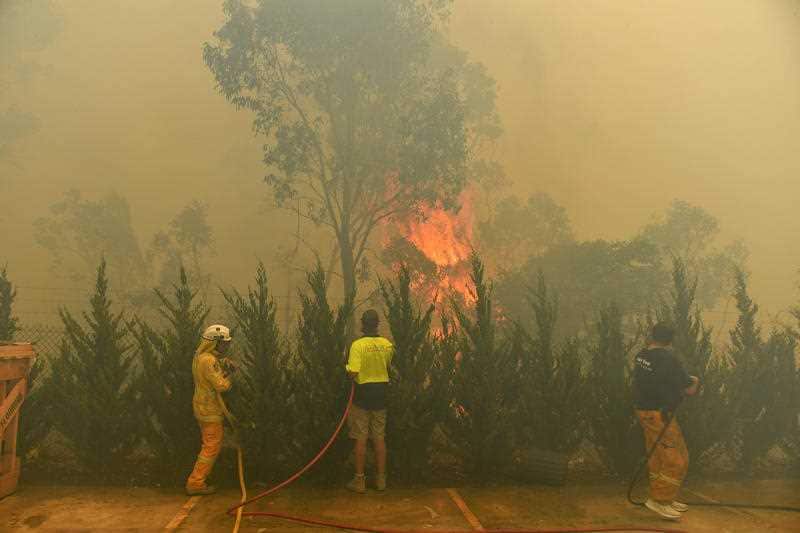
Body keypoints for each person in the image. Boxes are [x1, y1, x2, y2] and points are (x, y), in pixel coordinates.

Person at [633, 322, 700, 520]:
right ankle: (659, 501)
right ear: (671, 340)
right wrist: (695, 380)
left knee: (657, 457)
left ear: (652, 336)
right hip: (659, 415)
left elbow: (655, 380)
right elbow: (689, 388)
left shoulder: (641, 355)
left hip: (645, 411)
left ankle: (664, 497)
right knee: (676, 458)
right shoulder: (668, 359)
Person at [345, 309, 394, 493]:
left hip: (362, 397)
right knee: (379, 438)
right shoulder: (387, 345)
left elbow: (353, 372)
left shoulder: (357, 345)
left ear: (362, 324)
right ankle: (381, 480)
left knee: (361, 438)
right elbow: (388, 366)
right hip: (381, 395)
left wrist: (347, 367)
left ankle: (359, 481)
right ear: (377, 324)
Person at [185, 324, 236, 496]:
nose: (227, 346)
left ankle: (197, 481)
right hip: (210, 410)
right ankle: (196, 482)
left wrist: (222, 364)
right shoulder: (208, 361)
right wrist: (230, 374)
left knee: (209, 444)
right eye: (224, 343)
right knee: (211, 446)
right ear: (215, 342)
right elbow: (221, 386)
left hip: (202, 407)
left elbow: (210, 371)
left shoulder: (201, 357)